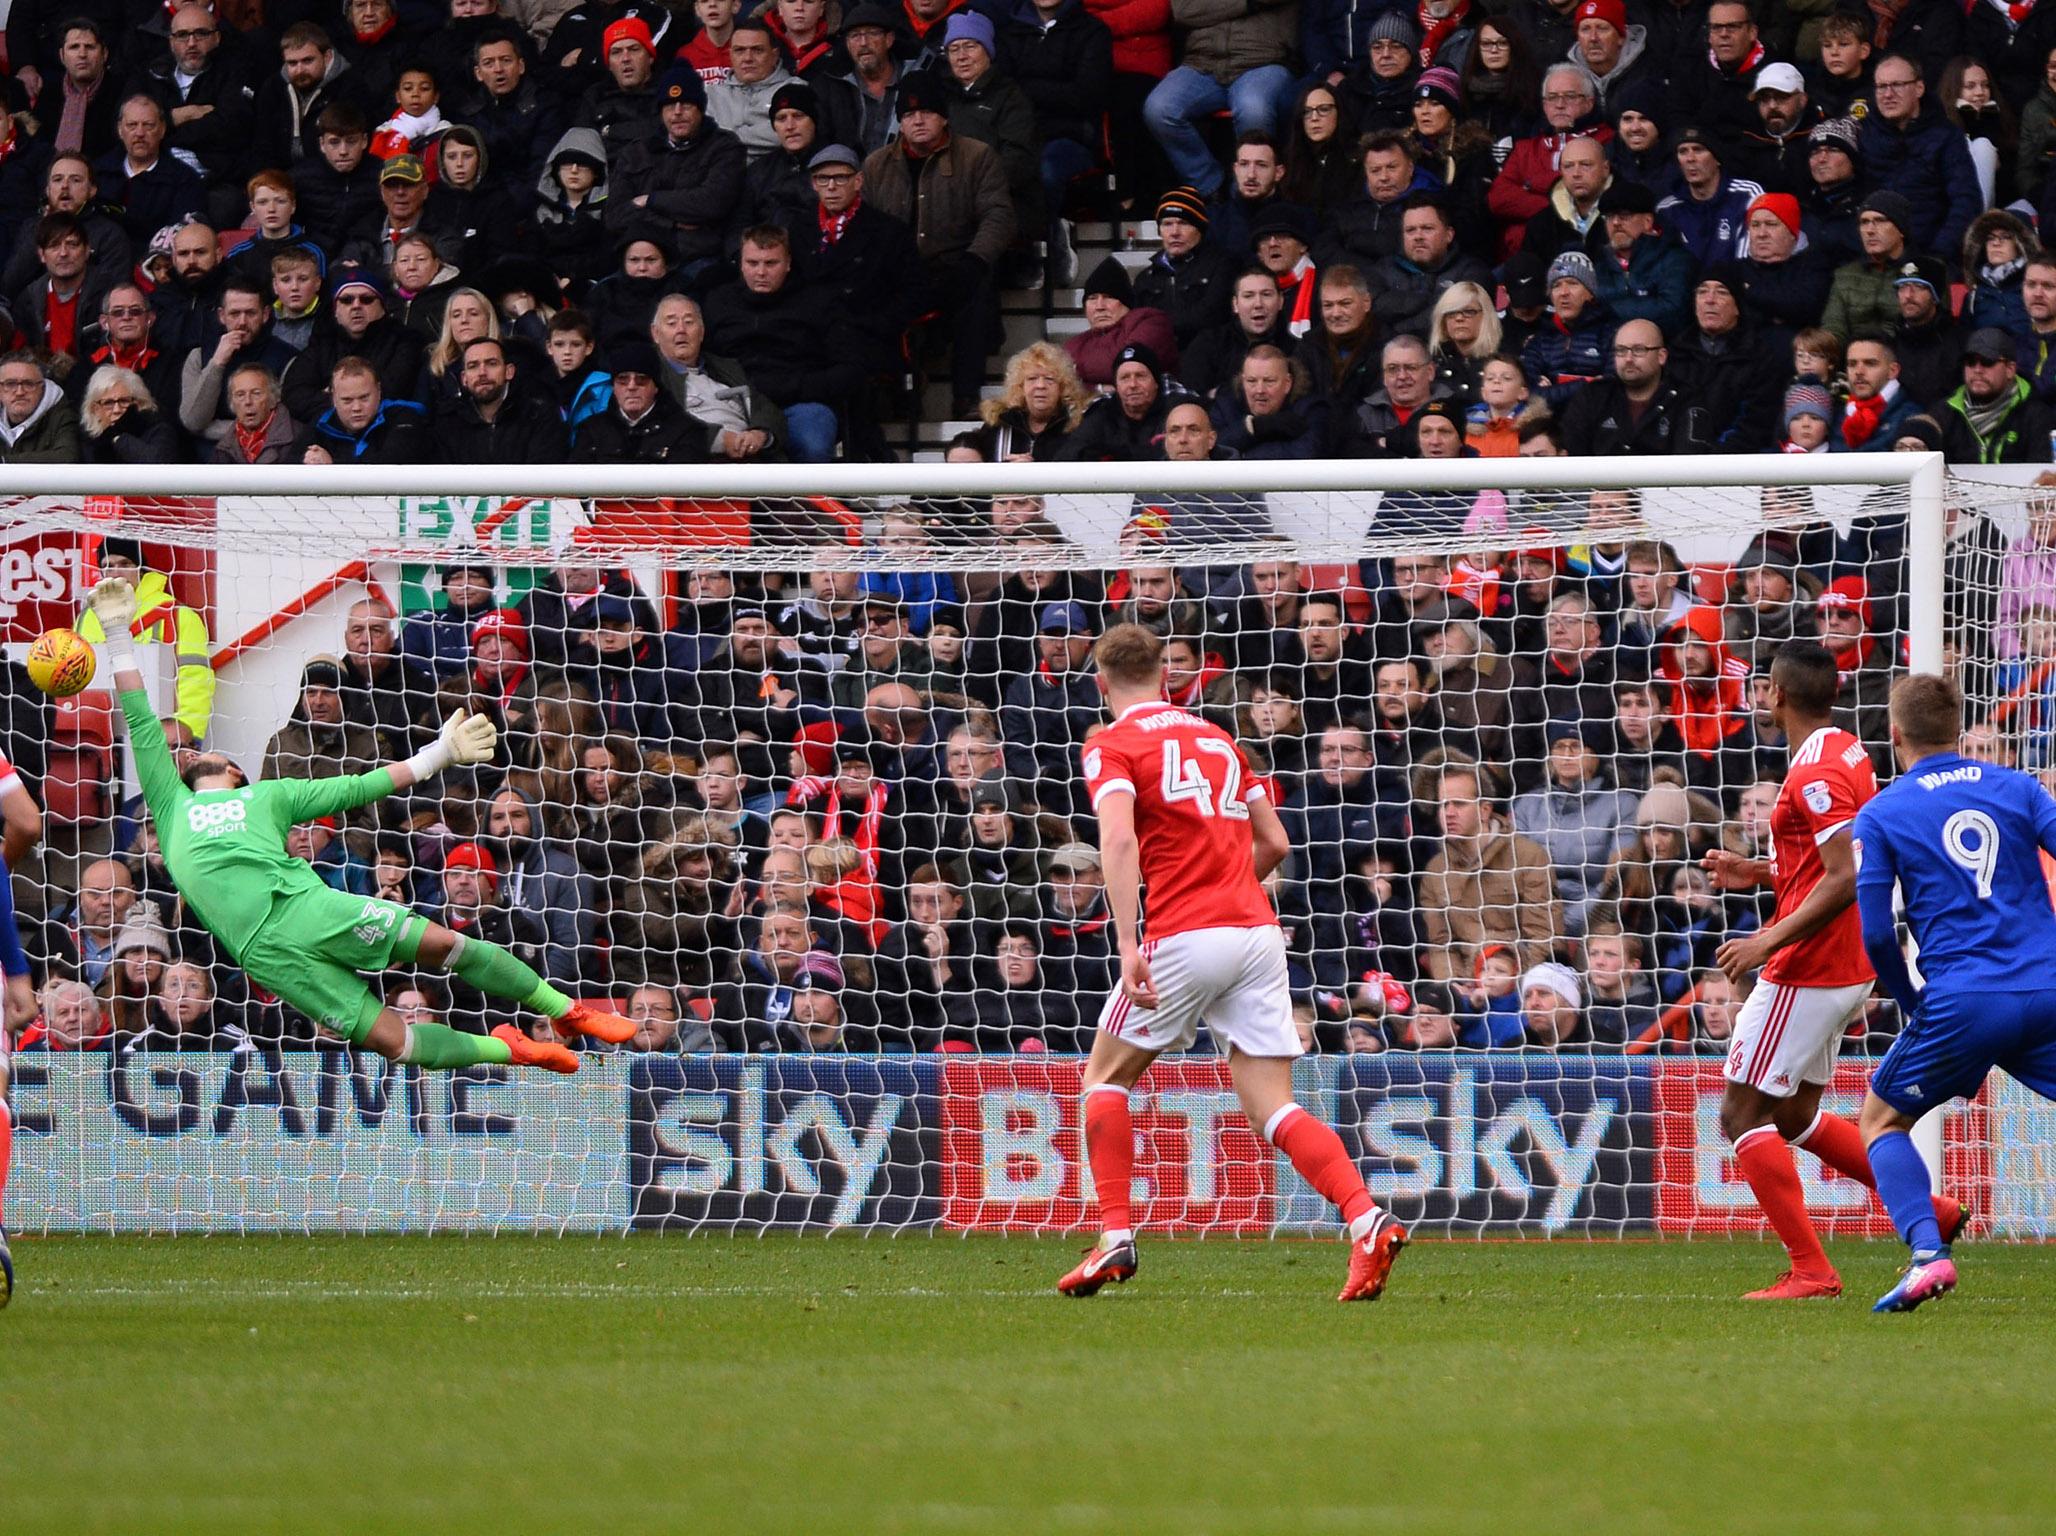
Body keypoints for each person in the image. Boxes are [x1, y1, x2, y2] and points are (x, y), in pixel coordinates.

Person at [83, 575, 637, 1078]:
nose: (190, 752)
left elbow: (357, 786)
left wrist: (437, 755)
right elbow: (139, 716)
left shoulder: (269, 794)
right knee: (393, 1042)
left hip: (305, 906)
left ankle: (570, 1011)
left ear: (233, 770)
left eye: (213, 751)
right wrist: (115, 634)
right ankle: (510, 1049)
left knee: (444, 943)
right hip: (265, 954)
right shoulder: (170, 804)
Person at [1061, 623, 1407, 1302]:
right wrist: (1228, 893)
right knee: (1273, 1108)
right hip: (1255, 934)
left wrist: (1130, 942)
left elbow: (1119, 840)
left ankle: (1115, 1237)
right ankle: (1366, 1219)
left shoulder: (1111, 743)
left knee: (1105, 1078)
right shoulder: (1219, 738)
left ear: (1102, 683)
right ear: (1167, 675)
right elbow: (1275, 840)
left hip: (1183, 937)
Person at [1700, 641, 1965, 1301]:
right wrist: (1759, 872)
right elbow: (1834, 860)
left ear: (1774, 694)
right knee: (1792, 1112)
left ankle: (1811, 1269)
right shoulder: (1846, 748)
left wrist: (1766, 940)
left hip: (1810, 964)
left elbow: (1847, 876)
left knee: (1739, 1112)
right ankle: (1932, 1213)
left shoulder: (1812, 770)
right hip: (1846, 965)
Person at [1855, 673, 2056, 1312]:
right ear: (1958, 728)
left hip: (1963, 998)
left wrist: (1911, 999)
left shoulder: (1883, 812)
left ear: (1895, 736)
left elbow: (1877, 934)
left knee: (1882, 1120)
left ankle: (1926, 1255)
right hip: (2048, 985)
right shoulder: (2020, 787)